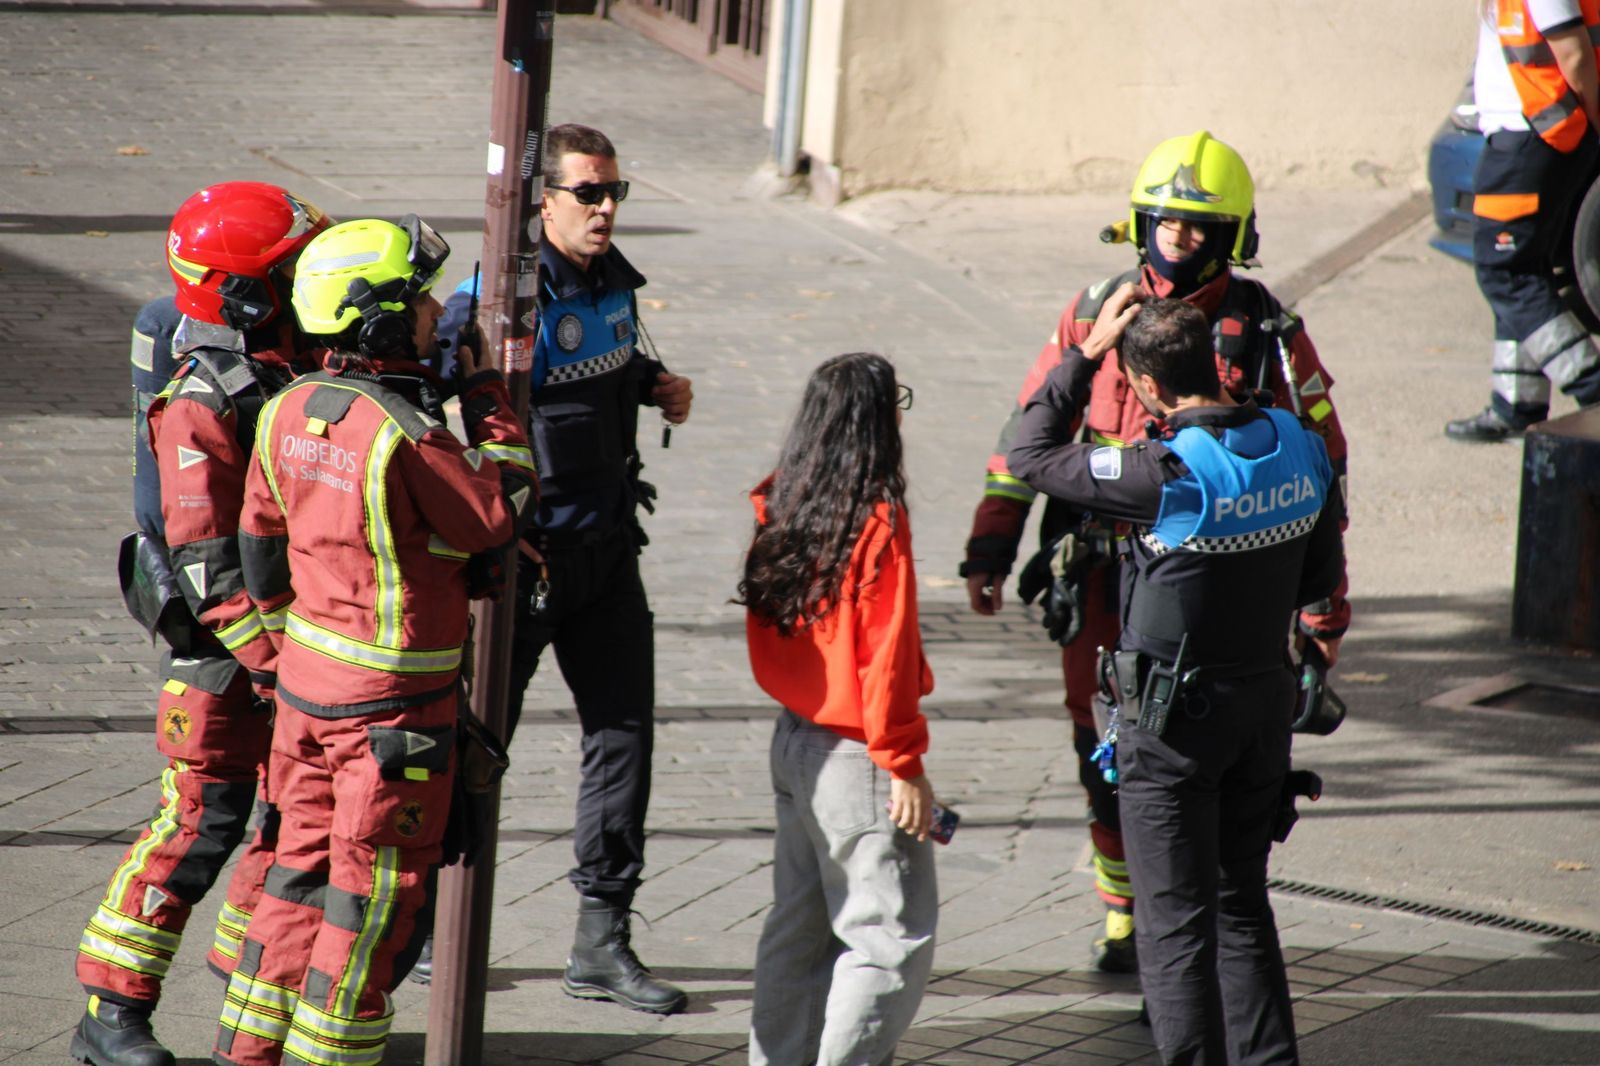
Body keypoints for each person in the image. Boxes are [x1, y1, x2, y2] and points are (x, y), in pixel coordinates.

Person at [958, 130, 1349, 972]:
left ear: (1233, 235)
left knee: (1195, 760)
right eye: (1165, 224)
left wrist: (1321, 605)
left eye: (1199, 227)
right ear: (1138, 224)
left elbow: (1324, 464)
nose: (1180, 240)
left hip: (1212, 587)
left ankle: (1190, 925)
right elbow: (1028, 429)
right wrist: (991, 545)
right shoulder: (1094, 309)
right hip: (1099, 576)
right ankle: (1124, 916)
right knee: (1099, 750)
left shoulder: (1264, 330)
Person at [211, 216, 535, 1066]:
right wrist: (491, 403)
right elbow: (499, 516)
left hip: (306, 702)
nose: (433, 314)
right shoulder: (406, 432)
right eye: (420, 300)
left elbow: (259, 550)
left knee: (292, 880)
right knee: (371, 903)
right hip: (393, 718)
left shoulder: (283, 411)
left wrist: (298, 657)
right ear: (378, 319)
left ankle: (244, 1055)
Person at [1008, 298, 1345, 1066]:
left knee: (1173, 925)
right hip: (1262, 709)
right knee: (1241, 907)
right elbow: (1320, 575)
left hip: (1172, 726)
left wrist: (1084, 353)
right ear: (1214, 367)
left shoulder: (1163, 473)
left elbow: (1029, 456)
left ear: (1148, 387)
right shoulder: (1298, 442)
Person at [73, 181, 330, 1066]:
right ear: (246, 293)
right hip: (224, 648)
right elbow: (204, 559)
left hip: (297, 645)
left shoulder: (284, 354)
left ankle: (253, 996)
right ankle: (110, 1015)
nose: (312, 279)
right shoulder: (202, 394)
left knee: (287, 826)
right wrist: (269, 662)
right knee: (199, 822)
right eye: (295, 268)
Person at [457, 122, 691, 1014]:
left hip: (606, 550)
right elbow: (441, 396)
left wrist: (656, 385)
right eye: (588, 193)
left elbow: (608, 372)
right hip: (526, 562)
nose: (605, 209)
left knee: (625, 735)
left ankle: (602, 938)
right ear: (540, 199)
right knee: (478, 746)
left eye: (615, 193)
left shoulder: (615, 283)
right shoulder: (495, 296)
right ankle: (447, 923)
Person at [740, 352, 938, 1066]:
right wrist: (905, 764)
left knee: (798, 929)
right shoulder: (877, 520)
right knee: (888, 943)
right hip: (860, 754)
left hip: (795, 740)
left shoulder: (784, 502)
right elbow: (885, 659)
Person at [1446, 0, 1600, 440]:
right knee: (1523, 266)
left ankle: (1593, 385)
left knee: (1504, 272)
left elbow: (1572, 51)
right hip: (1534, 133)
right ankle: (1517, 403)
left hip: (1531, 135)